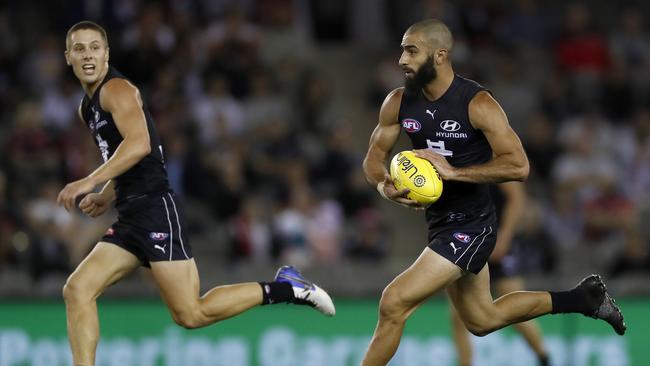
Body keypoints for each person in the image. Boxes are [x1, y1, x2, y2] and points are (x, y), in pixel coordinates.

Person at [58, 21, 334, 366]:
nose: (88, 55)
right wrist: (107, 194)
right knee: (78, 289)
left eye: (95, 47)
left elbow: (140, 144)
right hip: (131, 214)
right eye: (80, 49)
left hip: (155, 209)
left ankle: (289, 287)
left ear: (107, 53)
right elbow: (127, 156)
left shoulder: (117, 90)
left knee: (192, 313)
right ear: (68, 56)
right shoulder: (87, 107)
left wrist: (88, 182)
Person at [360, 19, 625, 366]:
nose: (401, 60)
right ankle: (582, 299)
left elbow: (519, 166)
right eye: (402, 50)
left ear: (440, 55)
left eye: (411, 50)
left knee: (393, 302)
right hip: (440, 223)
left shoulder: (478, 103)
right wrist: (384, 186)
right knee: (482, 320)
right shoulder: (397, 102)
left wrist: (454, 172)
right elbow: (373, 161)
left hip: (473, 224)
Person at [449, 182, 549, 366]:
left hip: (496, 240)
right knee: (458, 315)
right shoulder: (455, 157)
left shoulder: (492, 156)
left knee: (516, 310)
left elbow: (517, 198)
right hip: (465, 240)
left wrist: (505, 236)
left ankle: (544, 357)